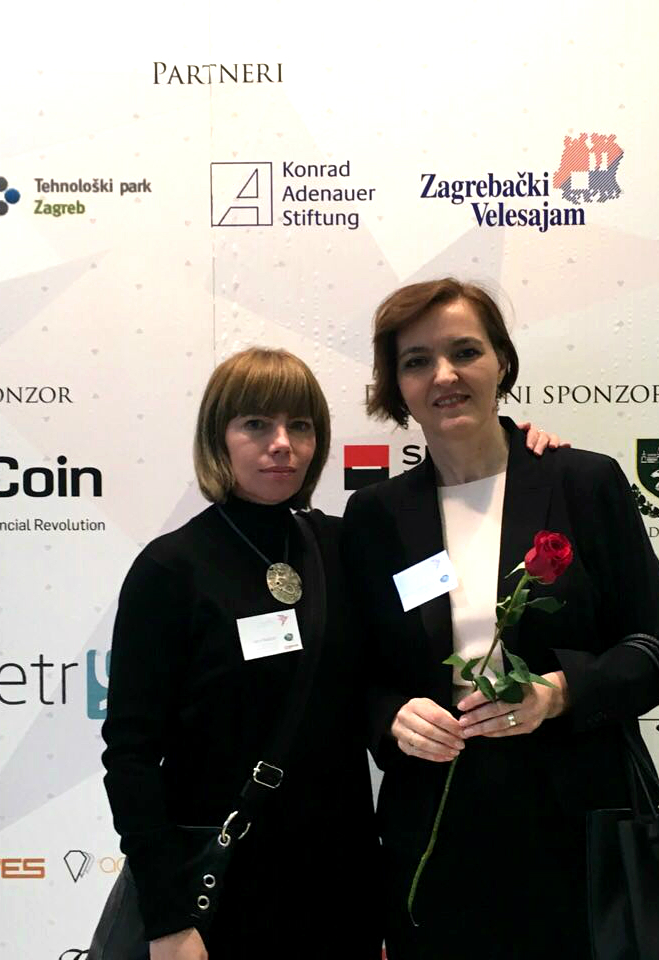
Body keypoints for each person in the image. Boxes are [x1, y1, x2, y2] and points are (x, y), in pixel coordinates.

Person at [98, 346, 564, 960]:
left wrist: (513, 455)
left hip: (341, 890)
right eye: (256, 424)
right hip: (221, 895)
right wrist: (167, 920)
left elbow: (422, 621)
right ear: (218, 437)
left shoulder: (340, 546)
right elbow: (130, 755)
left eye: (300, 425)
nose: (282, 444)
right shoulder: (172, 569)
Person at [340, 279, 659, 960]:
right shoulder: (377, 515)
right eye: (416, 361)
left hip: (579, 838)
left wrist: (560, 692)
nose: (443, 375)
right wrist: (392, 718)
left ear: (502, 361)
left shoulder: (582, 483)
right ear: (397, 386)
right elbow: (357, 676)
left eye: (465, 351)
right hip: (435, 840)